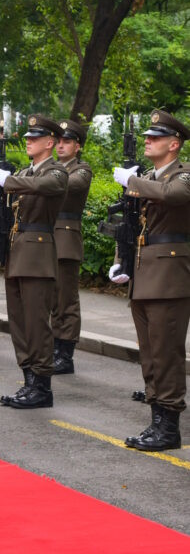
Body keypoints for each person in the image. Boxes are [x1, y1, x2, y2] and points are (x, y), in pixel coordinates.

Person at [109, 109, 190, 451]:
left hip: (170, 275)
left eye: (155, 138)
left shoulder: (184, 176)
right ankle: (156, 420)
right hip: (143, 273)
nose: (147, 141)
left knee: (166, 351)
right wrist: (119, 260)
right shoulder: (147, 176)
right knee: (150, 353)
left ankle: (169, 426)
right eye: (146, 136)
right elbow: (131, 226)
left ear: (175, 144)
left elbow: (171, 196)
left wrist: (131, 181)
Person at [0, 115, 68, 409]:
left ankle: (42, 386)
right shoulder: (25, 171)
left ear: (50, 143)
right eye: (27, 138)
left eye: (34, 138)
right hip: (17, 251)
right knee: (19, 323)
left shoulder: (57, 172)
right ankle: (29, 379)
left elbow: (44, 186)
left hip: (38, 254)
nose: (28, 142)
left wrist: (9, 180)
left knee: (36, 323)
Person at [52, 120, 93, 374]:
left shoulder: (82, 170)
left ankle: (65, 353)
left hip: (66, 239)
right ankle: (53, 346)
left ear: (77, 146)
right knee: (51, 299)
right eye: (58, 141)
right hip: (46, 239)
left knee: (66, 299)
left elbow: (69, 185)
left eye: (67, 141)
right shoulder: (52, 168)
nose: (61, 145)